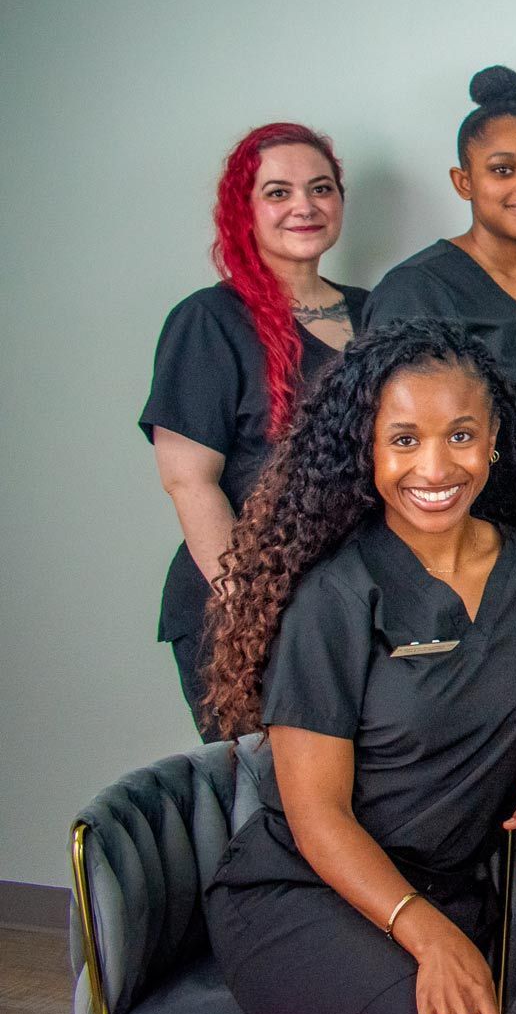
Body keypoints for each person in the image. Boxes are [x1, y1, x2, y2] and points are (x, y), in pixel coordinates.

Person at [200, 319, 516, 1014]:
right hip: (303, 895)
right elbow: (316, 821)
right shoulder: (339, 596)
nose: (435, 466)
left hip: (452, 893)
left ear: (496, 438)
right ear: (368, 450)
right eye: (404, 439)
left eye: (461, 435)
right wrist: (427, 933)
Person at [142, 122, 367, 739]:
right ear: (244, 208)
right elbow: (189, 482)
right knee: (270, 802)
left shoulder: (378, 311)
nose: (304, 205)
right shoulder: (208, 321)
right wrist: (252, 610)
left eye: (321, 189)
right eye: (278, 192)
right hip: (242, 611)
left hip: (352, 605)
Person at [366, 65, 516, 462]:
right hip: (462, 517)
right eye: (503, 170)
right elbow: (394, 443)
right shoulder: (415, 290)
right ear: (463, 181)